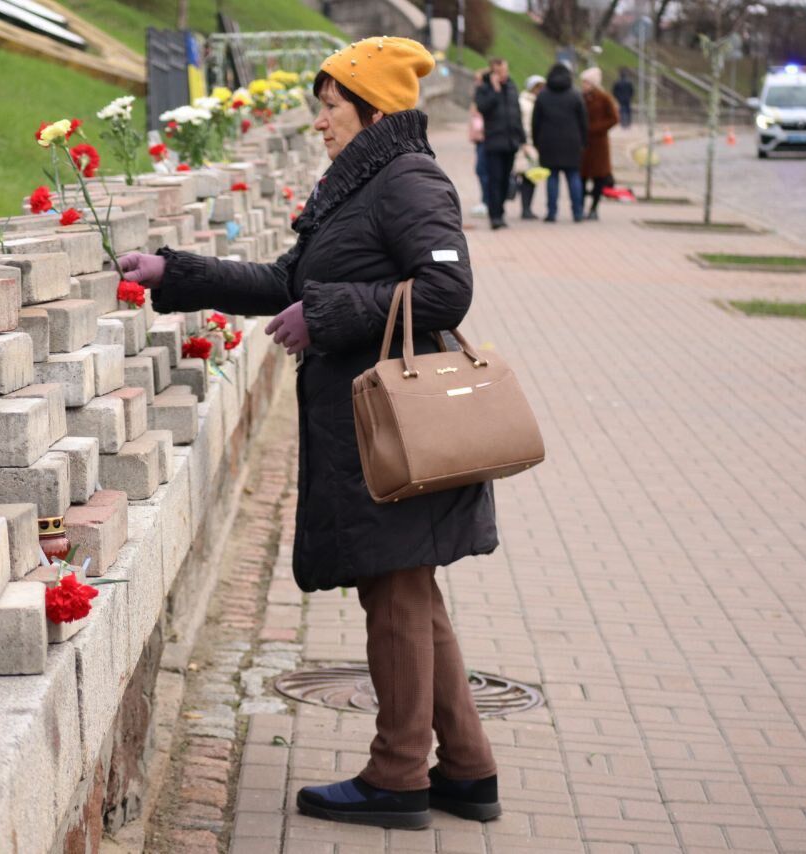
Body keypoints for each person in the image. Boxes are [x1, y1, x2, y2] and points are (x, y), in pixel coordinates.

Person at [118, 36, 500, 831]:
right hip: (363, 422)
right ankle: (466, 767)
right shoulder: (353, 187)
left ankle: (398, 776)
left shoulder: (408, 180)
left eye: (330, 107)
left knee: (394, 588)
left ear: (371, 109)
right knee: (409, 590)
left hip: (397, 421)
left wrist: (326, 315)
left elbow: (447, 287)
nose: (319, 122)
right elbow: (287, 284)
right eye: (320, 107)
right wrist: (174, 272)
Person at [531, 62, 587, 222]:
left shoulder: (543, 95)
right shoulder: (575, 95)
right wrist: (583, 141)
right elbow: (583, 121)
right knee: (573, 176)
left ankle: (551, 212)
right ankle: (577, 212)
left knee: (552, 177)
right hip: (572, 142)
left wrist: (537, 142)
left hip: (548, 142)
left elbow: (536, 121)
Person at [474, 57, 526, 230]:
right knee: (494, 179)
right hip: (494, 142)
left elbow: (516, 113)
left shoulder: (511, 86)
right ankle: (494, 216)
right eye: (500, 71)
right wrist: (495, 91)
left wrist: (522, 139)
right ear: (493, 72)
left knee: (505, 180)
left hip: (511, 142)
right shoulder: (484, 88)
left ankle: (501, 212)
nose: (504, 74)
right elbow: (483, 108)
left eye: (505, 70)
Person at [580, 66, 619, 221]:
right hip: (583, 144)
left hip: (599, 143)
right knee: (581, 176)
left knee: (599, 177)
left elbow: (614, 118)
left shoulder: (604, 98)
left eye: (586, 82)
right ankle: (580, 206)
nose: (583, 85)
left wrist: (596, 128)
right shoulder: (580, 97)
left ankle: (594, 208)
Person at [514, 74, 545, 220]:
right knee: (523, 175)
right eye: (537, 87)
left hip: (535, 144)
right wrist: (523, 141)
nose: (540, 90)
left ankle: (527, 208)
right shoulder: (523, 102)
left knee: (531, 177)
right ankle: (525, 208)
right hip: (524, 143)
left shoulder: (541, 102)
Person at [468, 69, 488, 218]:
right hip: (479, 139)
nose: (476, 83)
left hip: (485, 139)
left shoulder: (484, 97)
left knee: (482, 170)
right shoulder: (479, 96)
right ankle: (486, 201)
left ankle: (486, 201)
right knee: (482, 170)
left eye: (478, 80)